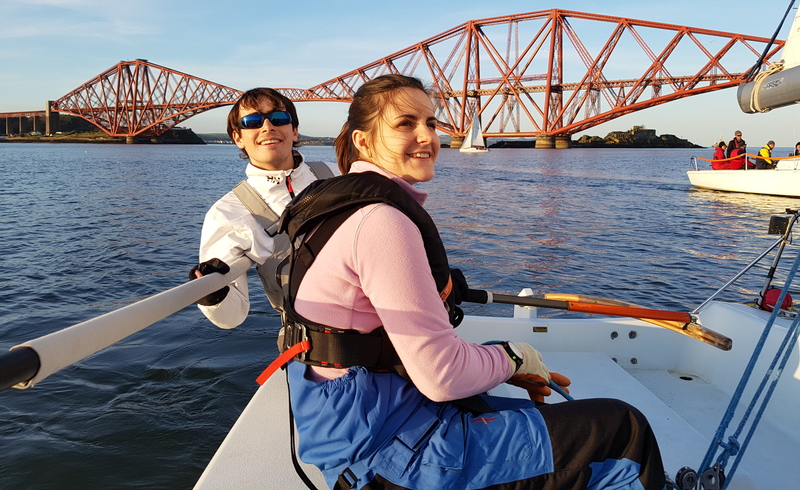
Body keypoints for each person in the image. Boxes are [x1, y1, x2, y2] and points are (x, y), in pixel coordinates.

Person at [279, 74, 667, 490]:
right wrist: (514, 357)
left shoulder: (336, 211)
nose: (426, 136)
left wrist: (499, 369)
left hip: (358, 432)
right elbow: (440, 376)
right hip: (388, 457)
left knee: (510, 408)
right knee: (622, 429)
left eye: (431, 123)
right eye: (405, 124)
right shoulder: (381, 221)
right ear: (363, 141)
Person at [190, 87, 336, 328]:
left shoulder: (339, 173)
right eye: (253, 121)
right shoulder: (228, 213)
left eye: (279, 118)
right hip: (317, 340)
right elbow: (231, 317)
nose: (267, 127)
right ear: (238, 138)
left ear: (295, 131)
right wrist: (211, 292)